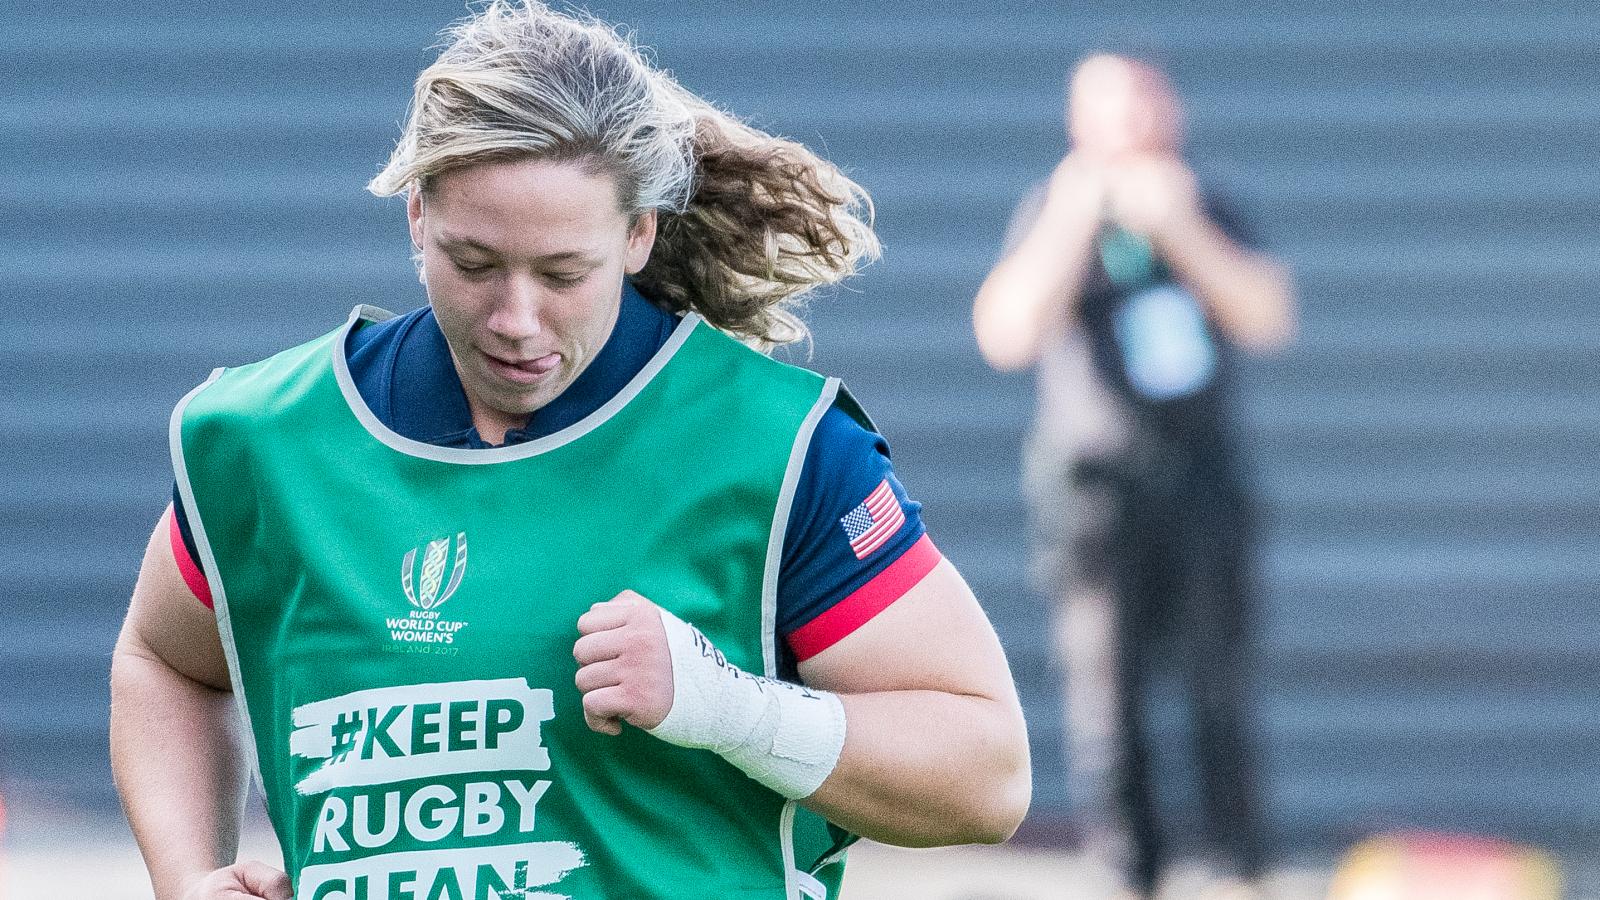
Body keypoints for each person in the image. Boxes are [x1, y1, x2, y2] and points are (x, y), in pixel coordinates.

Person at [109, 4, 1031, 898]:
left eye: (563, 273)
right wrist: (189, 879)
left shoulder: (778, 449)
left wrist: (731, 709)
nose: (516, 319)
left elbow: (986, 775)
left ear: (638, 233)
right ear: (417, 216)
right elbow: (165, 660)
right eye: (475, 264)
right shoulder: (264, 437)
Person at [972, 53, 1295, 899]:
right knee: (1105, 698)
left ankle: (1237, 866)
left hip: (1201, 481)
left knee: (1218, 684)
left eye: (1145, 105)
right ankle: (1129, 870)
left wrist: (1181, 230)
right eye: (1111, 110)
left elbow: (1267, 315)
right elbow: (1006, 333)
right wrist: (1075, 218)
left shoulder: (1210, 203)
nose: (1132, 126)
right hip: (1095, 492)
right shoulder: (1051, 209)